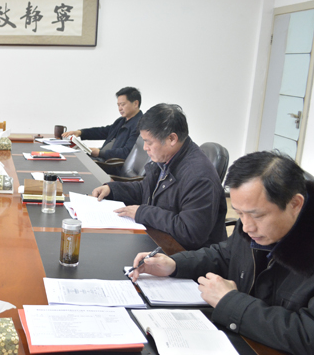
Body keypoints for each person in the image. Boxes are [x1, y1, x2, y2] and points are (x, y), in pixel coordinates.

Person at [129, 151, 314, 355]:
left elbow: (309, 338)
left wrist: (231, 302)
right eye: (239, 213)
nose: (247, 226)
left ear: (295, 204)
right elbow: (225, 254)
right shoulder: (253, 227)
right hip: (253, 349)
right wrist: (175, 264)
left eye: (257, 215)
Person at [92, 104, 226, 250]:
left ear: (172, 139)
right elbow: (146, 189)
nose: (145, 148)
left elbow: (189, 232)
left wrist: (143, 213)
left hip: (182, 253)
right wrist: (112, 190)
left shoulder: (199, 176)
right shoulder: (166, 158)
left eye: (149, 142)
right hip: (159, 238)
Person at [62, 87, 143, 160]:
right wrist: (80, 132)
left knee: (74, 161)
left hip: (110, 164)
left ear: (135, 103)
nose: (120, 108)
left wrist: (100, 153)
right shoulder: (121, 120)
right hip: (102, 158)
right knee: (71, 156)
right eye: (118, 105)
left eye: (122, 104)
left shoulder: (140, 125)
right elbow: (103, 131)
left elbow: (126, 152)